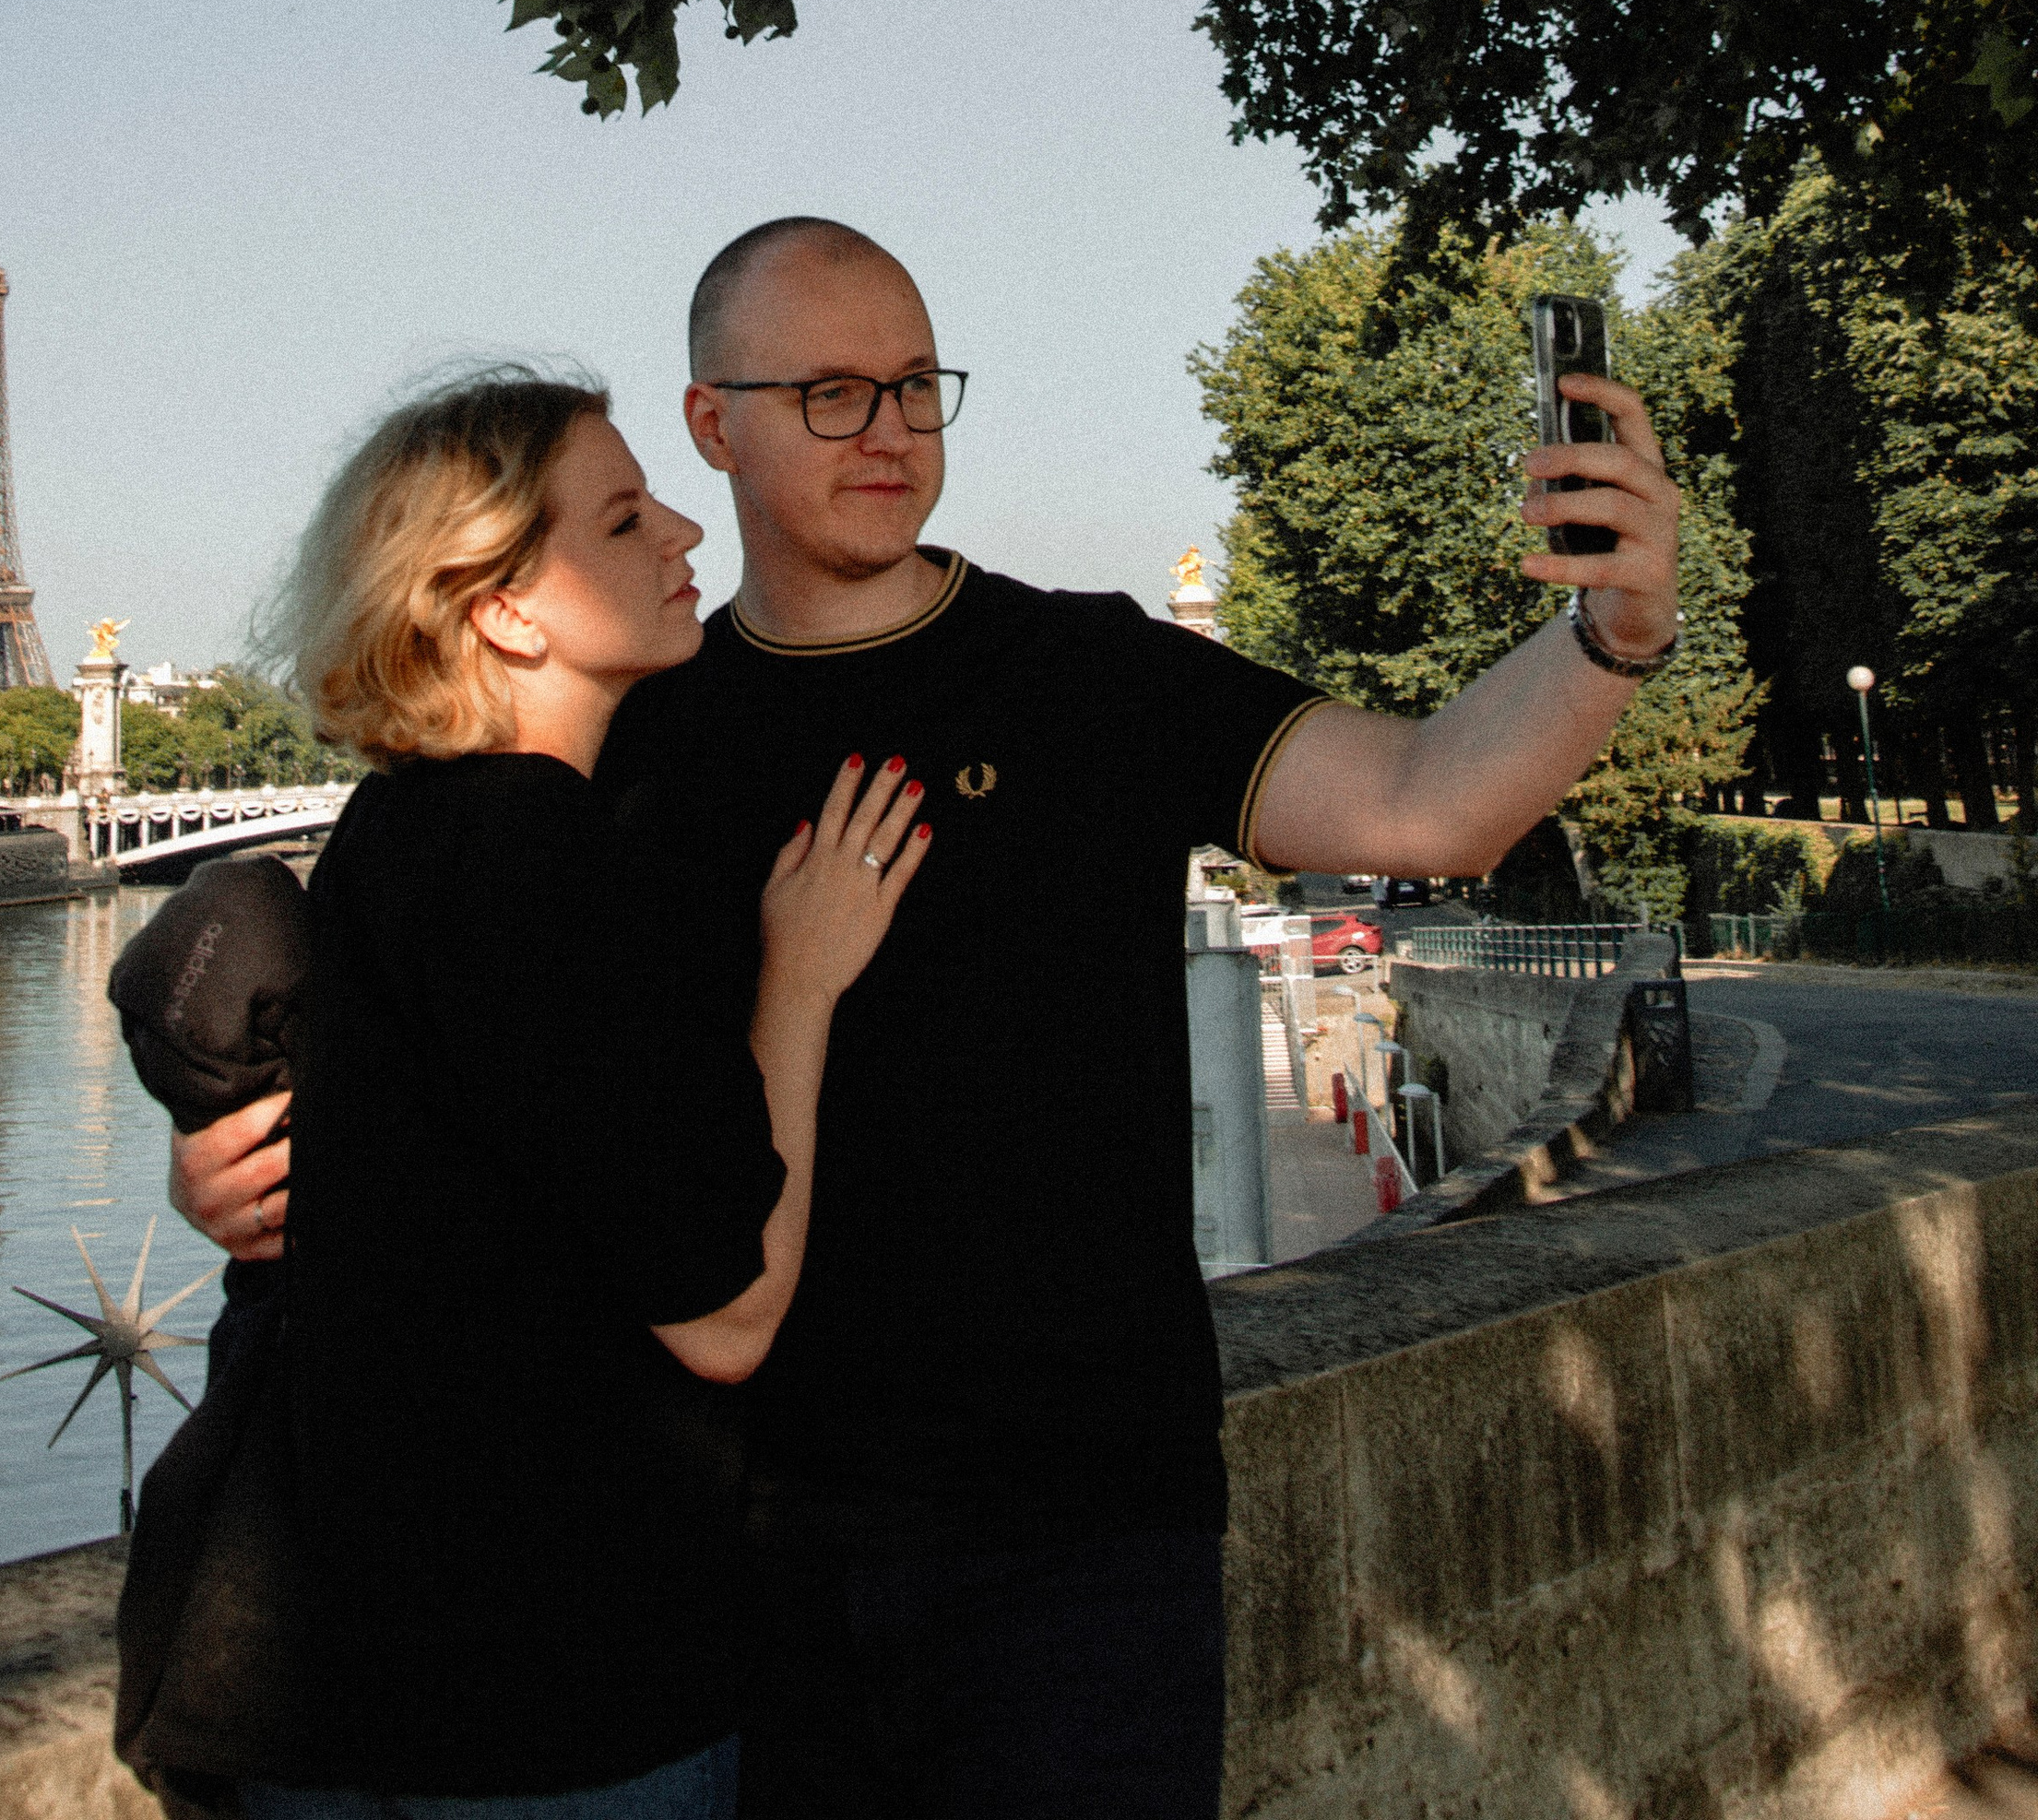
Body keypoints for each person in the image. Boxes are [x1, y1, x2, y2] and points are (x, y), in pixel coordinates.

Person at [178, 227, 1683, 1820]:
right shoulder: (617, 728)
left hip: (1078, 1530)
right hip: (735, 1554)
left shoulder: (1085, 671)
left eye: (913, 385)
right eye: (830, 393)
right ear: (713, 426)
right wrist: (253, 1163)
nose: (890, 429)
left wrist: (1617, 638)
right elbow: (455, 1046)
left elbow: (1426, 798)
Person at [236, 367, 929, 1820]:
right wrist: (798, 981)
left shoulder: (393, 834)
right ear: (501, 607)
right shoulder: (550, 872)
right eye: (622, 520)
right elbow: (728, 1316)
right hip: (563, 1703)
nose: (687, 530)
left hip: (371, 1685)